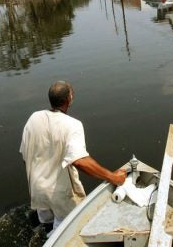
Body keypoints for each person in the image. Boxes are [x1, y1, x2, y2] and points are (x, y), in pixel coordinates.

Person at [20, 81, 127, 231]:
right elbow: (80, 161)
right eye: (71, 94)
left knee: (48, 226)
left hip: (37, 189)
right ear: (68, 100)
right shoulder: (72, 125)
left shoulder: (34, 118)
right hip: (60, 195)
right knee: (69, 229)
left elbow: (25, 156)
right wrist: (113, 177)